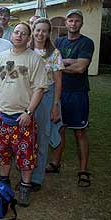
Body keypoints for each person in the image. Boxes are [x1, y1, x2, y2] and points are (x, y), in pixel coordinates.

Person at [0, 22, 48, 207]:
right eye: (16, 32)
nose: (19, 35)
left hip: (23, 117)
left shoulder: (34, 60)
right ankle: (4, 184)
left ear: (28, 38)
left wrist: (29, 112)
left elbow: (39, 88)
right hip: (1, 116)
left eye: (23, 33)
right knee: (1, 152)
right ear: (11, 36)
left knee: (25, 154)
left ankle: (25, 187)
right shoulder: (1, 57)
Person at [49, 9, 94, 187]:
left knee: (80, 132)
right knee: (60, 129)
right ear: (66, 23)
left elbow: (80, 68)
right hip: (60, 92)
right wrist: (69, 62)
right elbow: (51, 62)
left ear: (81, 23)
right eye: (70, 20)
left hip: (78, 93)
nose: (73, 23)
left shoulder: (86, 43)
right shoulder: (59, 41)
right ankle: (55, 163)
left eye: (76, 21)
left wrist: (61, 65)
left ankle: (83, 170)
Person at [27, 18, 64, 191]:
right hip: (27, 95)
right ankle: (25, 172)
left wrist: (55, 105)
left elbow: (58, 82)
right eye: (37, 30)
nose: (40, 34)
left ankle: (36, 177)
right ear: (32, 31)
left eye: (44, 31)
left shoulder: (54, 54)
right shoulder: (26, 50)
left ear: (49, 33)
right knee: (26, 137)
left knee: (42, 137)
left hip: (46, 97)